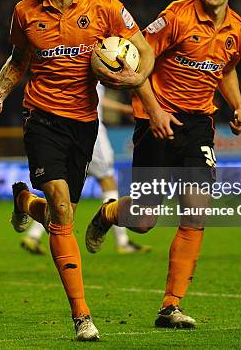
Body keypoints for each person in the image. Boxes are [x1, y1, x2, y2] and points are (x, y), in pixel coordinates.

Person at [0, 0, 154, 341]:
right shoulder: (25, 11)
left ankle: (24, 200)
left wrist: (136, 78)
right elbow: (18, 60)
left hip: (83, 122)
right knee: (61, 206)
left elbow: (144, 49)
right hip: (41, 117)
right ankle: (82, 317)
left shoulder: (107, 8)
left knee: (64, 214)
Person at [86, 0, 241, 328]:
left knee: (195, 211)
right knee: (145, 220)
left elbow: (225, 68)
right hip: (156, 119)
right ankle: (110, 212)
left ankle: (170, 306)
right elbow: (137, 61)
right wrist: (155, 110)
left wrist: (238, 106)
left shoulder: (240, 31)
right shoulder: (175, 17)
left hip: (199, 124)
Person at [21, 83, 152, 255]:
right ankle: (122, 241)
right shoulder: (94, 62)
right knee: (108, 181)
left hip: (66, 126)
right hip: (89, 127)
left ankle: (33, 234)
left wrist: (122, 108)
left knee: (62, 196)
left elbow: (97, 97)